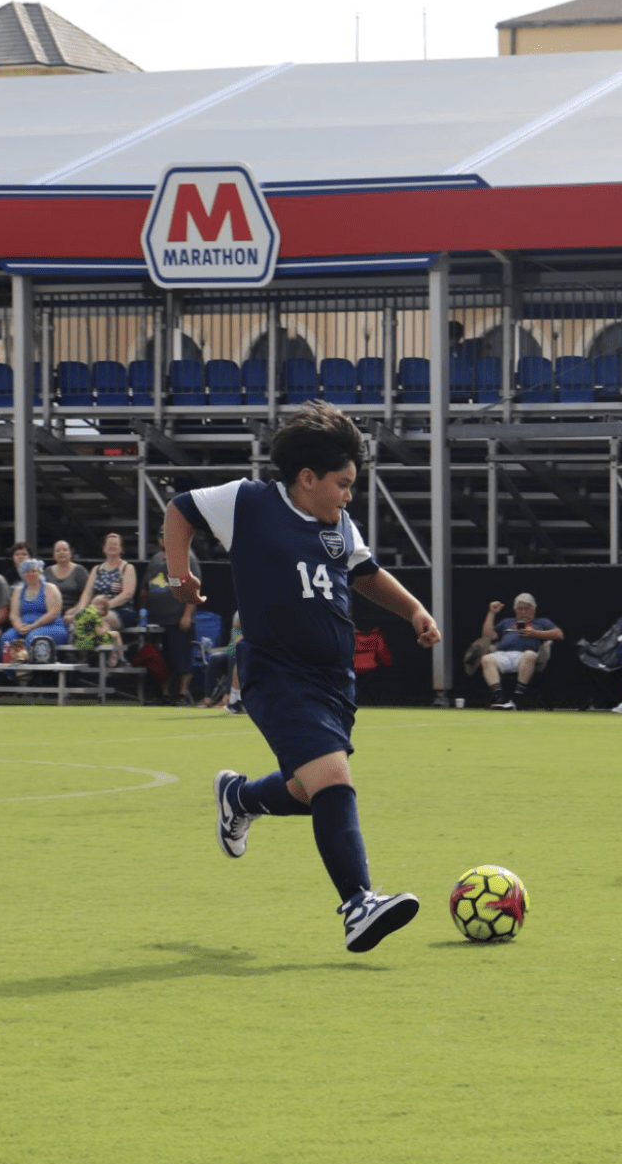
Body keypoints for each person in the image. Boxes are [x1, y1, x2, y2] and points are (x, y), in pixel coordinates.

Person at [165, 401, 440, 954]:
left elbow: (366, 574)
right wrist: (178, 573)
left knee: (309, 790)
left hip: (334, 682)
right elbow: (180, 509)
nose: (348, 496)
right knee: (334, 780)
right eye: (343, 484)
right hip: (277, 674)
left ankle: (241, 797)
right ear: (307, 478)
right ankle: (358, 903)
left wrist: (414, 610)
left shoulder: (339, 527)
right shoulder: (248, 502)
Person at [143, 528, 198, 704]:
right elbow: (146, 587)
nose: (165, 540)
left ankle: (182, 694)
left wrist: (187, 615)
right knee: (162, 659)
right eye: (162, 537)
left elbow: (193, 589)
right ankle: (165, 695)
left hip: (178, 618)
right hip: (157, 620)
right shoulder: (156, 559)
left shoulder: (187, 558)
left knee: (181, 658)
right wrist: (143, 611)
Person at [480, 593, 562, 709]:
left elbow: (559, 634)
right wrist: (491, 613)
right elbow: (487, 635)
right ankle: (499, 697)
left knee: (529, 655)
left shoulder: (541, 622)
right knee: (486, 659)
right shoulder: (507, 622)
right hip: (504, 655)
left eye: (527, 608)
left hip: (525, 657)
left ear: (533, 610)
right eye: (520, 609)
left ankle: (516, 698)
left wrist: (535, 633)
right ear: (515, 610)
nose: (523, 612)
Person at [66, 532, 137, 645]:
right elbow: (87, 594)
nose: (112, 546)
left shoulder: (127, 568)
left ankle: (113, 644)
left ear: (121, 549)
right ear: (103, 549)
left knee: (95, 619)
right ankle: (85, 650)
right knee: (76, 619)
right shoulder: (96, 569)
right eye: (109, 544)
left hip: (120, 610)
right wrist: (79, 610)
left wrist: (105, 607)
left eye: (115, 544)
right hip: (96, 609)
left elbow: (127, 594)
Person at [1, 558, 69, 663]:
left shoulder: (50, 588)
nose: (30, 574)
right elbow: (14, 615)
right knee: (7, 637)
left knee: (33, 638)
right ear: (22, 574)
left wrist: (32, 626)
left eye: (33, 571)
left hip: (51, 626)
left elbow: (53, 613)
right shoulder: (18, 590)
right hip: (24, 627)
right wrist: (19, 627)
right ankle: (11, 670)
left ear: (40, 572)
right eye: (27, 571)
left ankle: (31, 669)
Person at [45, 539, 89, 614]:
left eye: (65, 550)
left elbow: (87, 594)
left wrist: (75, 610)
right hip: (50, 612)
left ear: (70, 553)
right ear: (54, 555)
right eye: (58, 550)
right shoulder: (47, 572)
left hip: (74, 612)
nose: (61, 552)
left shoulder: (80, 571)